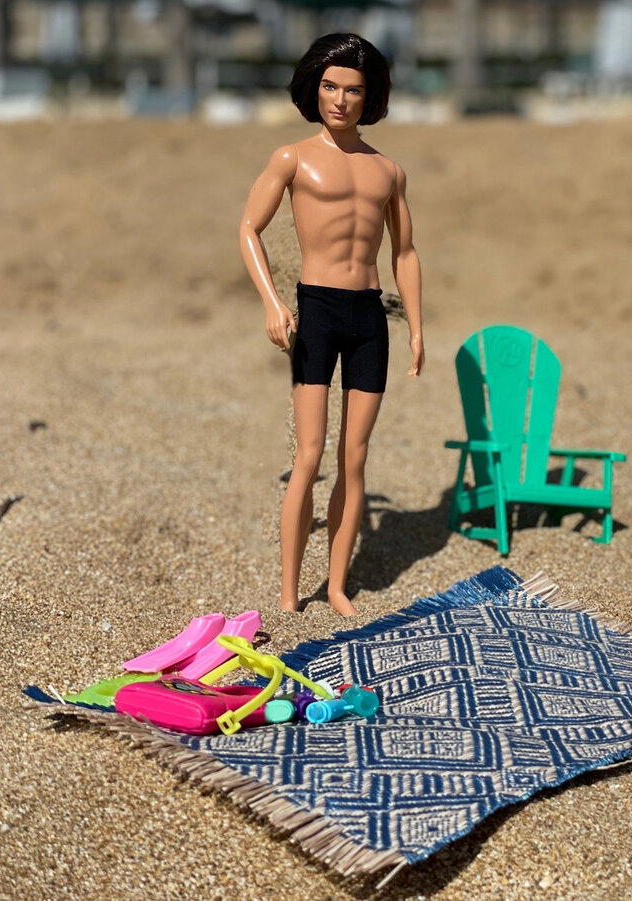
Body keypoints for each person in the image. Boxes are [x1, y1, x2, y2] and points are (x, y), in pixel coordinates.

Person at [239, 33, 424, 616]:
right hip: (316, 309)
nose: (340, 100)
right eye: (330, 86)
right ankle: (290, 589)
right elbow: (249, 228)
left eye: (353, 90)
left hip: (369, 315)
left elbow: (404, 253)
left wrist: (417, 326)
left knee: (355, 456)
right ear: (313, 88)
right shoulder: (292, 158)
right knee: (310, 454)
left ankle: (338, 584)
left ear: (370, 97)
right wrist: (272, 302)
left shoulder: (388, 171)